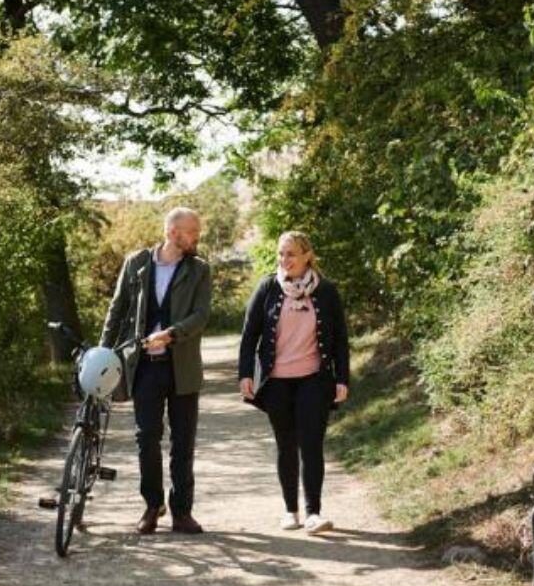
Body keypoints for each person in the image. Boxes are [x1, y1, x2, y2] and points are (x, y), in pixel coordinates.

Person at [100, 207, 212, 535]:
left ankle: (182, 512)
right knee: (146, 437)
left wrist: (171, 334)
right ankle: (152, 505)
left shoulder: (199, 269)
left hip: (183, 367)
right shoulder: (136, 263)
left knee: (183, 442)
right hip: (145, 368)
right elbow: (117, 309)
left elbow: (201, 315)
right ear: (173, 232)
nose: (197, 237)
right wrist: (104, 351)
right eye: (193, 231)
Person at [238, 231, 349, 535]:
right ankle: (291, 511)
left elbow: (340, 339)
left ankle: (314, 513)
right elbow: (249, 335)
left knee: (312, 445)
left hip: (315, 379)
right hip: (277, 382)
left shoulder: (326, 290)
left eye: (291, 254)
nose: (284, 260)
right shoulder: (267, 287)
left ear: (307, 256)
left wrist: (342, 378)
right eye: (281, 254)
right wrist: (245, 374)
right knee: (286, 445)